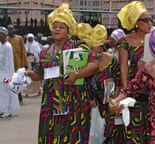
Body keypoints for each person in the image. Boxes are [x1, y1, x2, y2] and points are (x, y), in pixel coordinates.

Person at [23, 3, 94, 143]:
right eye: (55, 26)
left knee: (72, 135)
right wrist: (30, 74)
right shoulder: (44, 51)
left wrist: (77, 75)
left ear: (69, 30)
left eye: (61, 27)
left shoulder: (77, 47)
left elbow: (94, 64)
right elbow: (40, 74)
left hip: (74, 100)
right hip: (50, 101)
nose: (57, 29)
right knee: (51, 134)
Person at [116, 1, 152, 143]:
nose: (149, 23)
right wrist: (126, 92)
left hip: (153, 90)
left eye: (151, 20)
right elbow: (123, 67)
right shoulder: (125, 42)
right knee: (134, 130)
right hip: (134, 89)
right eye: (145, 20)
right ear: (136, 23)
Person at [0, 26, 20, 118]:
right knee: (2, 93)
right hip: (1, 72)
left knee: (5, 92)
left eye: (1, 34)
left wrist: (8, 77)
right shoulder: (1, 45)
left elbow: (9, 63)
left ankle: (6, 111)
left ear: (5, 35)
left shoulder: (8, 46)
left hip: (6, 74)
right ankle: (3, 109)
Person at [7, 24, 28, 104]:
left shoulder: (19, 38)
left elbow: (23, 51)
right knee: (9, 82)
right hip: (8, 66)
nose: (10, 31)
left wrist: (24, 64)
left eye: (11, 29)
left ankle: (19, 98)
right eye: (9, 29)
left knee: (18, 82)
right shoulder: (5, 40)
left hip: (18, 64)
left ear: (14, 30)